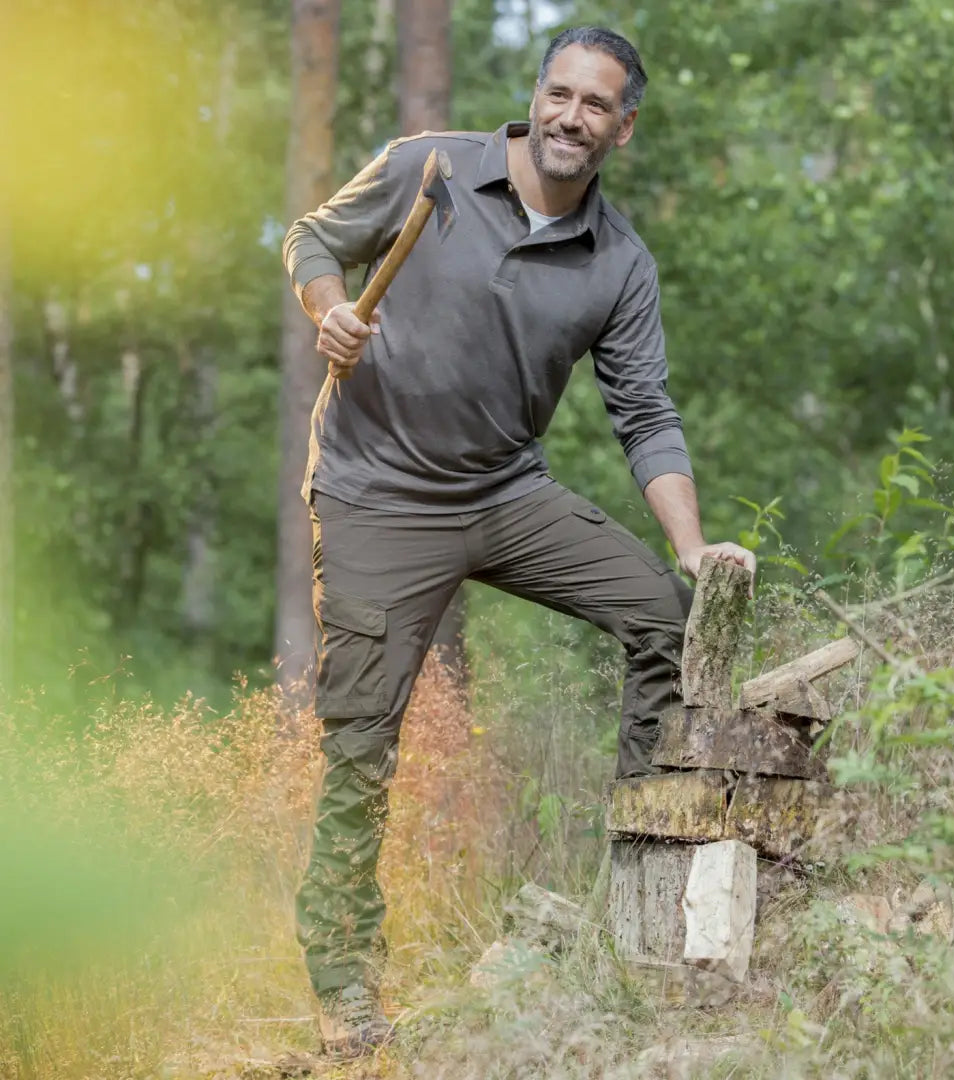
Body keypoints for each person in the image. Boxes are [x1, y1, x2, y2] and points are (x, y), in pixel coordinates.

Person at [282, 25, 756, 1057]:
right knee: (360, 748)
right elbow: (311, 239)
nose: (570, 116)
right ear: (535, 96)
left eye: (596, 105)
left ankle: (641, 898)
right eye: (560, 93)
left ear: (623, 129)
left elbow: (646, 412)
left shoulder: (618, 262)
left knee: (666, 622)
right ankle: (347, 992)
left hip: (504, 492)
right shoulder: (431, 169)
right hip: (376, 496)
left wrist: (690, 546)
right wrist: (328, 311)